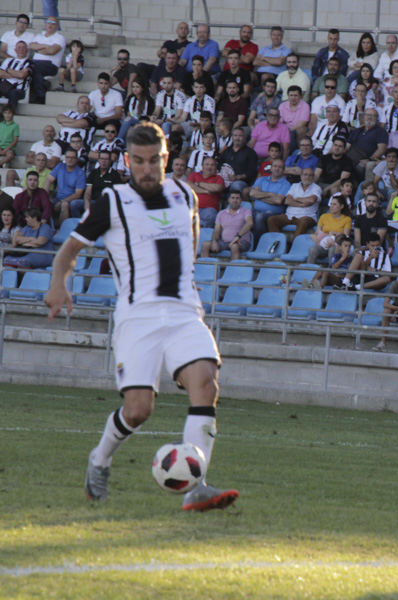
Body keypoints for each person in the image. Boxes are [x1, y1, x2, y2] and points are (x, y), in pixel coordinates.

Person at [46, 122, 238, 510]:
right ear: (127, 161)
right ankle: (99, 458)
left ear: (166, 159)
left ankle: (197, 487)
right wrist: (57, 284)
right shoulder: (112, 202)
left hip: (185, 311)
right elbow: (69, 250)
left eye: (154, 161)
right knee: (138, 410)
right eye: (138, 161)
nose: (147, 169)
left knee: (206, 386)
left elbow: (193, 246)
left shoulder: (186, 195)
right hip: (139, 316)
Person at [27, 16, 65, 105]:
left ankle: (41, 96)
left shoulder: (59, 38)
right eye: (48, 22)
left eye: (53, 23)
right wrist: (46, 46)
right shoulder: (39, 35)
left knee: (34, 68)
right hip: (35, 63)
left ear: (57, 26)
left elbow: (52, 51)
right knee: (28, 68)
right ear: (45, 24)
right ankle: (41, 89)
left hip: (51, 65)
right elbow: (31, 46)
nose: (50, 25)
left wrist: (38, 48)